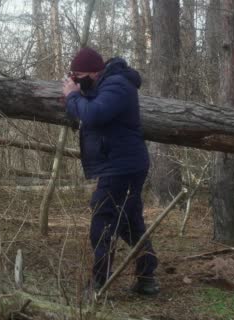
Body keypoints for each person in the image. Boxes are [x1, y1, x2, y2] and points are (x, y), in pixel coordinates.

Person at [62, 47, 160, 296]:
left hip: (123, 168)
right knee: (129, 222)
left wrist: (72, 97)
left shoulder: (117, 85)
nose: (75, 80)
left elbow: (95, 114)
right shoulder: (105, 84)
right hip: (121, 165)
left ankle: (99, 283)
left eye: (78, 75)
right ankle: (147, 277)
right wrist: (76, 93)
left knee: (103, 221)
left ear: (93, 73)